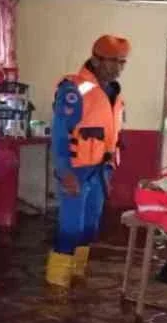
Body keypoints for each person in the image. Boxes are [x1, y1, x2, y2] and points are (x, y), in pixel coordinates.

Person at [45, 35, 129, 288]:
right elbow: (60, 132)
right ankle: (56, 287)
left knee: (90, 227)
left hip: (101, 170)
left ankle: (76, 278)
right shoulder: (74, 89)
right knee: (71, 227)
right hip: (76, 170)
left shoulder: (114, 92)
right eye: (113, 62)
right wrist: (64, 171)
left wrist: (109, 171)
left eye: (122, 62)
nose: (118, 68)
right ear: (96, 59)